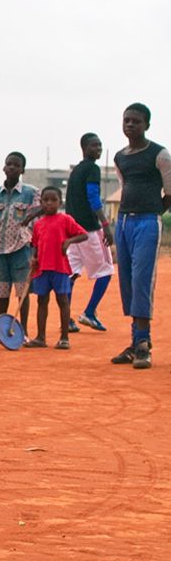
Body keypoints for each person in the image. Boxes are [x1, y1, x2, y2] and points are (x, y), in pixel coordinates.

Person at [110, 102, 171, 369]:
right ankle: (135, 342)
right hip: (123, 221)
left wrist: (155, 212)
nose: (130, 125)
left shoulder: (160, 154)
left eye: (136, 121)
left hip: (148, 221)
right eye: (126, 120)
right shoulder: (120, 157)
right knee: (128, 280)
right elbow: (124, 186)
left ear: (147, 124)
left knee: (142, 279)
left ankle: (144, 344)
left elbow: (169, 191)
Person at [0, 152, 40, 344]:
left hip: (21, 248)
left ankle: (24, 332)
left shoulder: (31, 193)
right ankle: (1, 330)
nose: (12, 168)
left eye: (16, 165)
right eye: (9, 164)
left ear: (22, 170)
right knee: (1, 292)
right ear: (4, 167)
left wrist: (30, 223)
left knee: (22, 293)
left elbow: (41, 209)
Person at [25, 186, 88, 350]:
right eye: (46, 200)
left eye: (53, 200)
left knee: (63, 300)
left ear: (60, 202)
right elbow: (36, 245)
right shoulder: (38, 224)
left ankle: (64, 337)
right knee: (42, 301)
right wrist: (34, 258)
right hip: (42, 269)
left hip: (60, 268)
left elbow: (83, 234)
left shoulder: (66, 219)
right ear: (41, 202)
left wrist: (68, 242)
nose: (49, 203)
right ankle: (40, 337)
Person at [64, 132, 114, 332]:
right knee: (106, 271)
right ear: (84, 148)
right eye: (94, 146)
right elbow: (93, 197)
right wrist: (105, 224)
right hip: (89, 230)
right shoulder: (92, 169)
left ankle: (65, 318)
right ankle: (89, 312)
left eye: (100, 146)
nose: (98, 149)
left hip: (72, 231)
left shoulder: (76, 170)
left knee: (71, 274)